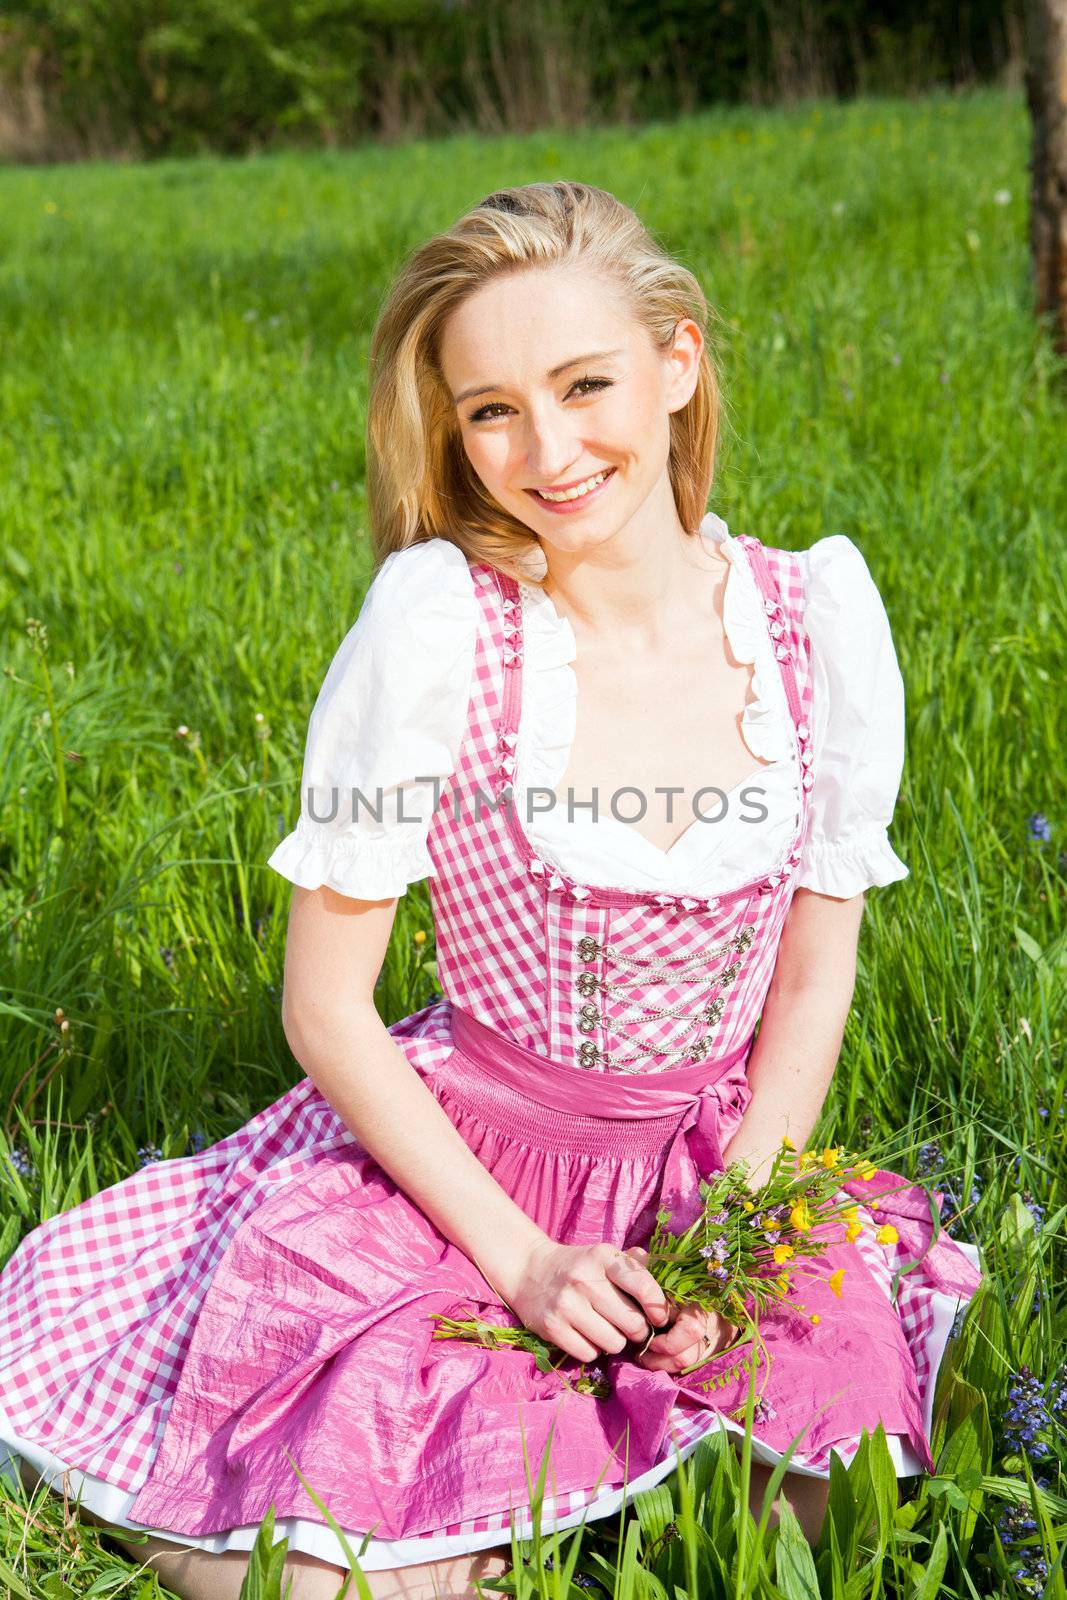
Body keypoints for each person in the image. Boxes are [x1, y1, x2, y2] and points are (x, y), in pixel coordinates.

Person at [0, 180, 983, 1600]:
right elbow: (327, 1008)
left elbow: (814, 973)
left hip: (715, 1168)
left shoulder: (815, 618)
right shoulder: (441, 630)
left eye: (586, 385)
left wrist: (738, 1238)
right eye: (491, 410)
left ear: (679, 365)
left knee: (823, 1527)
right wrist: (526, 1265)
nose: (550, 449)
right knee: (325, 1578)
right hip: (463, 1170)